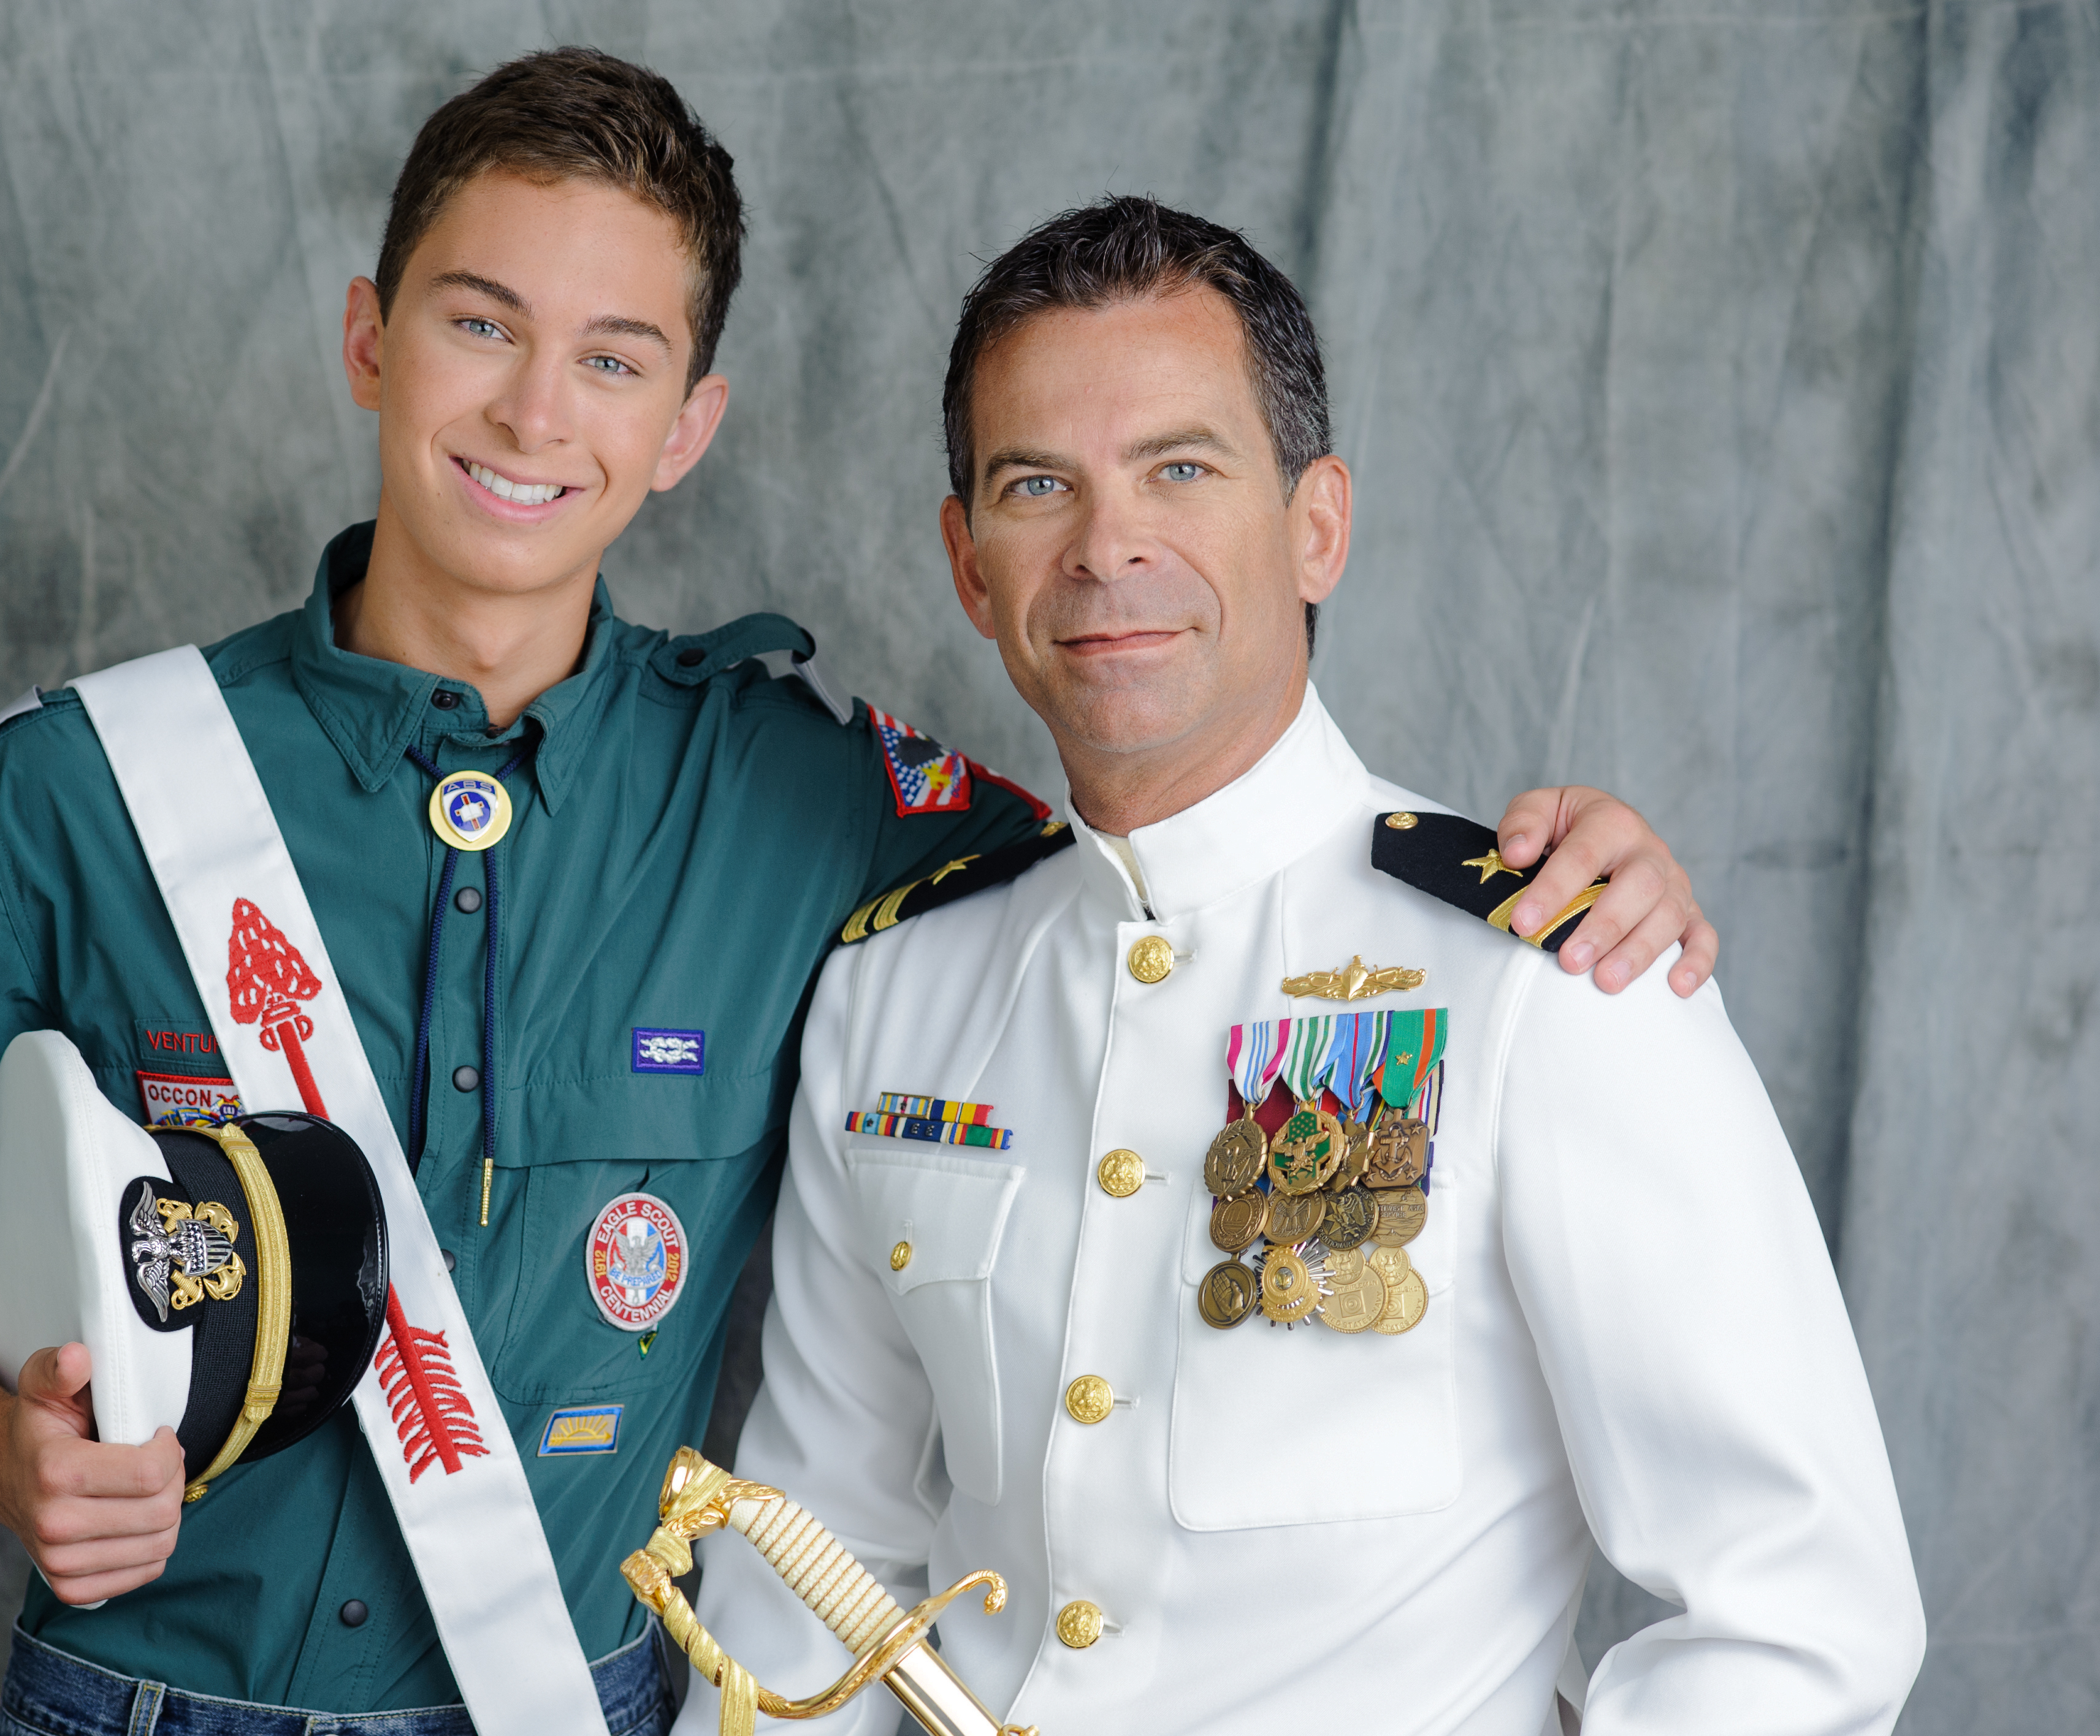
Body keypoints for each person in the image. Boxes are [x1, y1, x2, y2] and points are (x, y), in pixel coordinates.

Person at [0, 51, 1717, 1736]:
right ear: (371, 335)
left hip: (593, 1695)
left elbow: (1179, 859)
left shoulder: (812, 793)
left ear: (687, 425)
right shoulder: (72, 793)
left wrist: (1531, 879)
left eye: (615, 359)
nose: (538, 413)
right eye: (478, 322)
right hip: (149, 1700)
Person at [681, 197, 1925, 1736]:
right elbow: (819, 1554)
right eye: (1036, 484)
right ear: (967, 562)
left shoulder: (1540, 966)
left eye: (1180, 470)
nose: (1106, 544)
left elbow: (1803, 1614)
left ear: (1315, 524)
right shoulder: (896, 997)